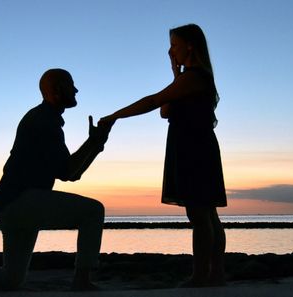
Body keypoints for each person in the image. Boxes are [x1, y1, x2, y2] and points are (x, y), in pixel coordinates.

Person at [0, 68, 113, 291]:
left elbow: (72, 174)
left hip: (11, 205)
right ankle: (82, 280)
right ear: (55, 91)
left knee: (11, 279)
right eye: (70, 84)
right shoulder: (44, 121)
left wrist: (95, 145)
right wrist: (94, 143)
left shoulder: (44, 119)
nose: (76, 89)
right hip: (22, 201)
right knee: (93, 211)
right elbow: (68, 173)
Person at [99, 24, 227, 287]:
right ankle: (214, 274)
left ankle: (202, 276)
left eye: (175, 45)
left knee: (201, 215)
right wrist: (174, 74)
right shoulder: (188, 78)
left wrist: (115, 116)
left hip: (194, 148)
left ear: (190, 45)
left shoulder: (194, 78)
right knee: (207, 213)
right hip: (192, 146)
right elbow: (166, 111)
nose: (171, 51)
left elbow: (153, 102)